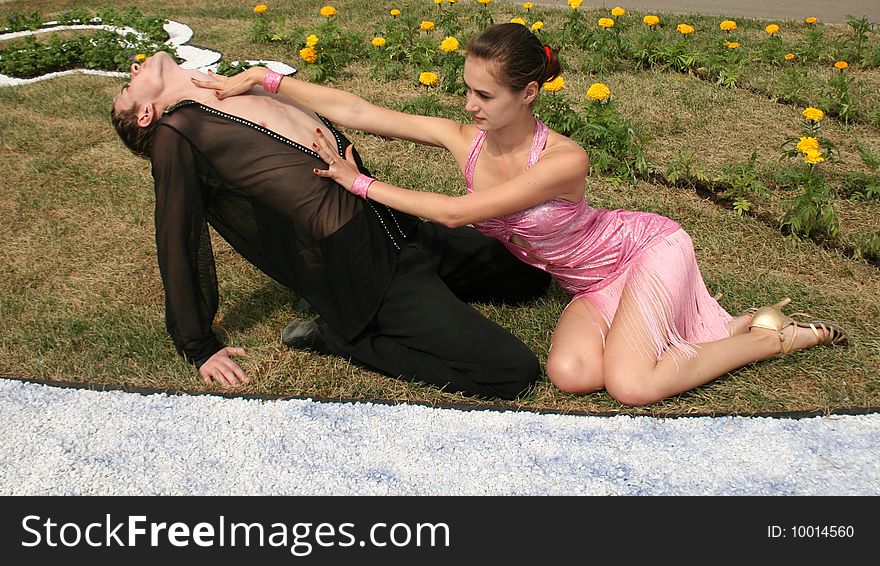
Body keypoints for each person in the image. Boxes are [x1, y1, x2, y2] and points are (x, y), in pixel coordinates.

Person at [194, 23, 848, 406]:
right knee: (570, 375)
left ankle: (768, 337)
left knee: (630, 386)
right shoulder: (465, 140)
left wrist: (360, 184)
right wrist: (262, 80)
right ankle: (693, 330)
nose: (470, 107)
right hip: (592, 285)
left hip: (645, 252)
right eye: (468, 92)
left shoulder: (563, 160)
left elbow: (458, 213)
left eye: (485, 95)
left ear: (529, 93)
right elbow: (361, 111)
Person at [110, 50, 554, 400]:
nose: (133, 68)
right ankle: (343, 337)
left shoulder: (229, 87)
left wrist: (263, 76)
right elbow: (175, 233)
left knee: (530, 275)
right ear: (146, 114)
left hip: (398, 226)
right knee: (512, 373)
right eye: (129, 86)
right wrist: (198, 344)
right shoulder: (178, 134)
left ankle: (429, 300)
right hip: (364, 271)